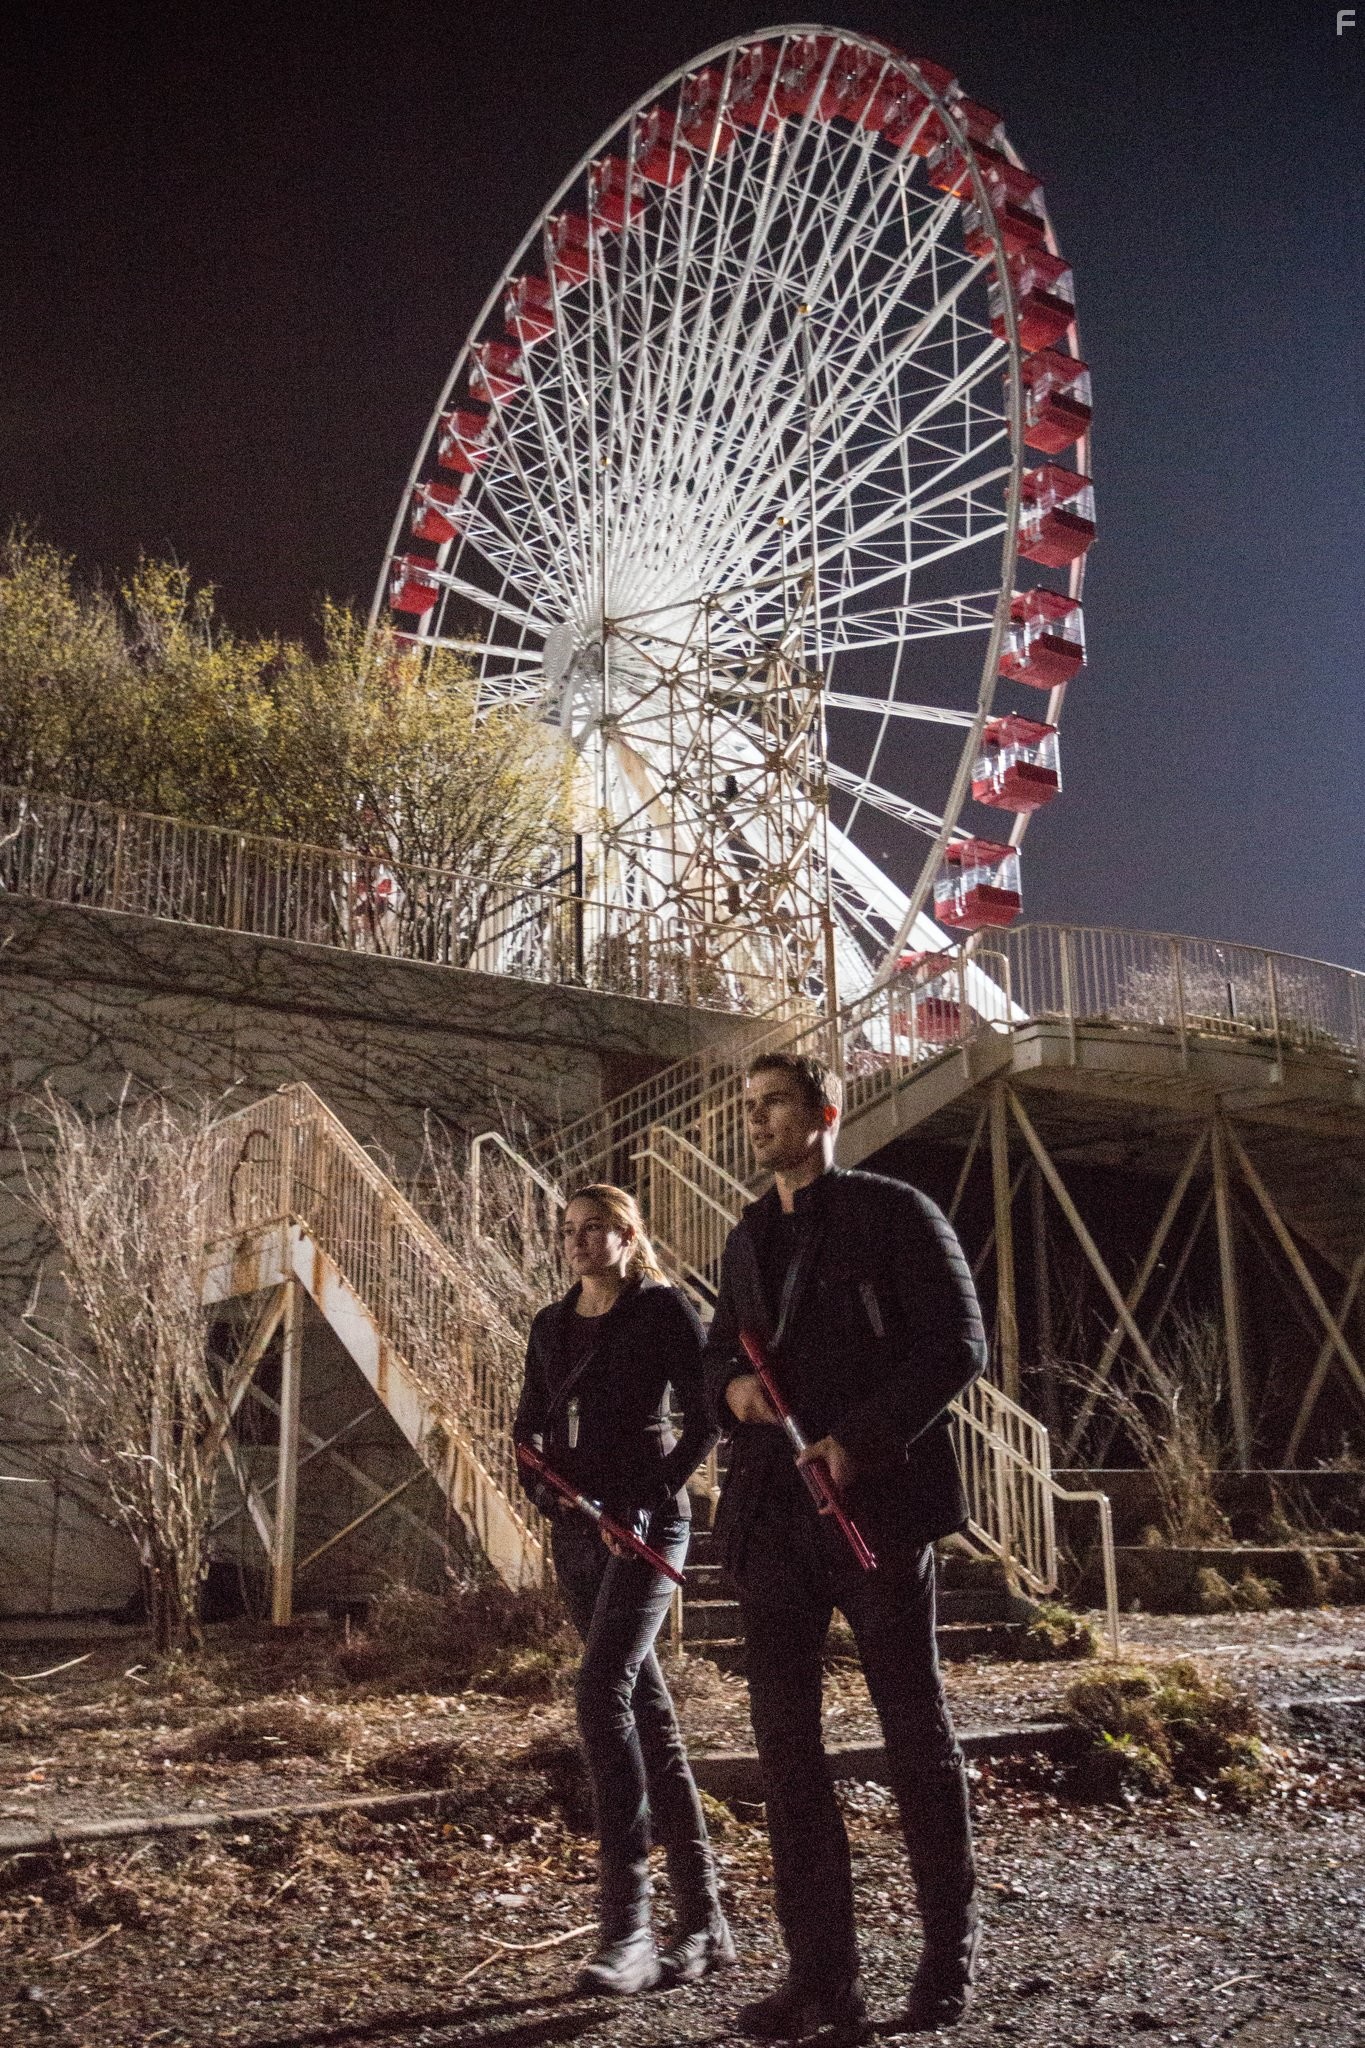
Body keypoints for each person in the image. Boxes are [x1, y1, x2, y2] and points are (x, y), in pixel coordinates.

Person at [703, 1051, 989, 2043]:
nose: (757, 1120)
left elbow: (956, 1343)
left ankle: (946, 1959)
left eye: (774, 1102)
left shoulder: (895, 1212)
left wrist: (858, 1441)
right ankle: (821, 1976)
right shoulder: (746, 1235)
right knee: (788, 1753)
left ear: (826, 1111)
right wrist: (730, 1394)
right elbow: (718, 1349)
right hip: (774, 1526)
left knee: (916, 1734)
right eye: (748, 1108)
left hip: (878, 1514)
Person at [513, 1182, 734, 1996]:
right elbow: (526, 1429)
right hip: (577, 1529)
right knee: (648, 1717)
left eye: (597, 1228)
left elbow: (708, 1418)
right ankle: (705, 1924)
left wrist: (648, 1498)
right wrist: (551, 1495)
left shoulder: (663, 1311)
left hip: (648, 1524)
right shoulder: (549, 1323)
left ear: (629, 1236)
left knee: (600, 1692)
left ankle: (628, 1931)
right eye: (570, 1230)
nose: (579, 1241)